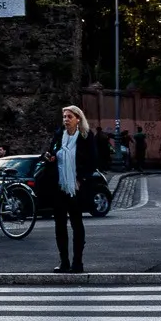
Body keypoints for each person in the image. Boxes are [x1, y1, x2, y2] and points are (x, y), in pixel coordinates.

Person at [39, 104, 99, 273]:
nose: (66, 120)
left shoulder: (86, 137)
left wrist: (81, 178)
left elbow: (93, 161)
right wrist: (49, 157)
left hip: (76, 187)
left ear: (78, 119)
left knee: (77, 224)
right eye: (64, 117)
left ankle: (77, 262)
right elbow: (51, 152)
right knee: (59, 225)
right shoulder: (59, 135)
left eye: (69, 117)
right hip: (59, 186)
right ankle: (64, 261)